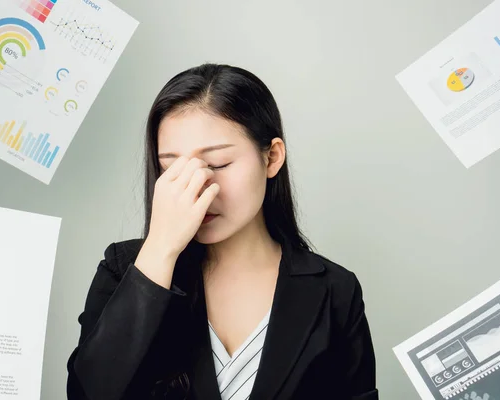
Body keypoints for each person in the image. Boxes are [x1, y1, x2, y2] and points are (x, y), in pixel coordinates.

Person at [66, 63, 378, 400]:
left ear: (272, 157)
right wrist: (160, 249)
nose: (197, 186)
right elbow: (87, 394)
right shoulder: (125, 268)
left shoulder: (335, 292)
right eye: (171, 169)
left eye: (217, 164)